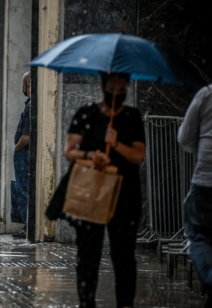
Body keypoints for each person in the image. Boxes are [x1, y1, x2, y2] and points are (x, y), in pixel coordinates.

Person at [64, 72, 146, 308]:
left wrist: (116, 143)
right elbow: (69, 151)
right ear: (103, 87)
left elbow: (138, 155)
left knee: (124, 257)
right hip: (91, 193)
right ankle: (86, 302)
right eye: (113, 89)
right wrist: (91, 155)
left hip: (125, 196)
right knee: (88, 256)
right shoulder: (86, 115)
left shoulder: (132, 117)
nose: (117, 94)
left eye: (122, 90)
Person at [177, 83, 212, 307]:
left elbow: (185, 137)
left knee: (198, 235)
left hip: (206, 180)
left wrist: (200, 151)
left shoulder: (207, 94)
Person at [12, 72, 31, 239]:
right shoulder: (32, 105)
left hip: (24, 154)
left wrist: (17, 148)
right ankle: (28, 225)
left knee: (23, 190)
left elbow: (26, 136)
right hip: (25, 154)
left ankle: (28, 227)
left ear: (26, 85)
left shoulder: (31, 106)